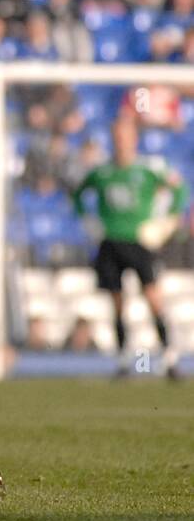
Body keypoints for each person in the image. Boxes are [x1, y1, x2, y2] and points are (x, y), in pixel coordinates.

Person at [72, 117, 188, 379]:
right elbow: (78, 195)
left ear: (134, 139)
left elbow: (179, 191)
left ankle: (169, 358)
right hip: (110, 242)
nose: (121, 142)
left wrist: (166, 221)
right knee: (117, 303)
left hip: (139, 243)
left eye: (125, 136)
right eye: (117, 136)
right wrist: (89, 221)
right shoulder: (101, 172)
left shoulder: (149, 169)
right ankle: (124, 359)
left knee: (153, 299)